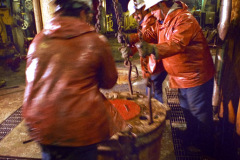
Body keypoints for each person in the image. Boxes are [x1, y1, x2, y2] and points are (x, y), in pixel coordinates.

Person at [22, 0, 126, 160]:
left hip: (41, 125)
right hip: (79, 128)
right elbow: (109, 81)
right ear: (83, 12)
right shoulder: (96, 41)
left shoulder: (38, 40)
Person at [136, 0, 216, 157]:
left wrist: (152, 48)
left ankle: (206, 146)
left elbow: (177, 43)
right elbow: (150, 33)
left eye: (152, 9)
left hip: (195, 76)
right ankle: (192, 136)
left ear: (162, 5)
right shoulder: (164, 20)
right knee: (186, 108)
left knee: (199, 112)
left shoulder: (184, 19)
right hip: (181, 76)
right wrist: (131, 39)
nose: (151, 13)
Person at [118, 0, 167, 103]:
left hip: (156, 65)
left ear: (144, 8)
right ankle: (155, 112)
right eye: (134, 15)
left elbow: (147, 36)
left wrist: (129, 38)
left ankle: (157, 114)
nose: (135, 17)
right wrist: (131, 50)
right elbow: (142, 43)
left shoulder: (151, 20)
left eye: (137, 13)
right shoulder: (144, 22)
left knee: (153, 94)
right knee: (152, 91)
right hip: (153, 64)